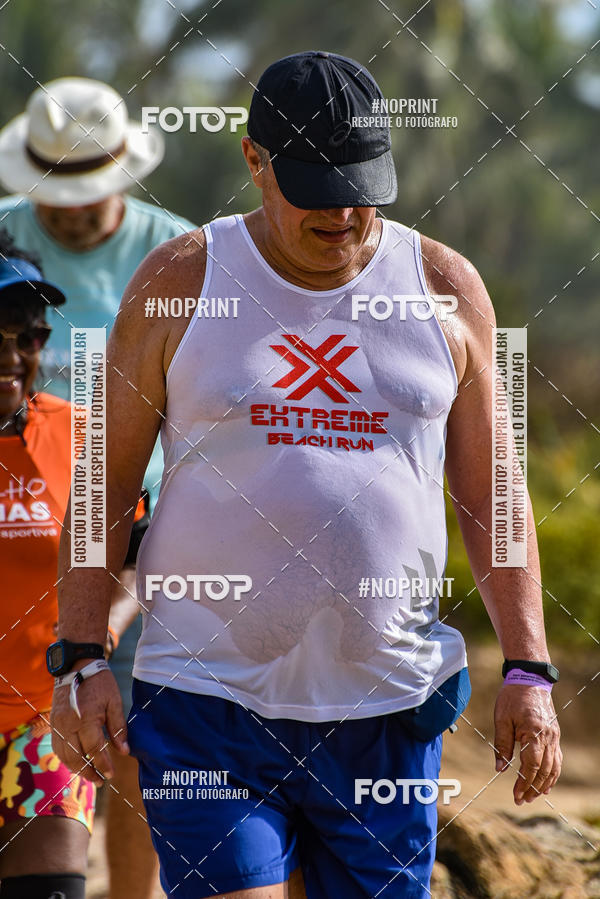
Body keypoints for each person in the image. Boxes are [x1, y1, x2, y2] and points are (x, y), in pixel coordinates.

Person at [50, 51, 562, 899]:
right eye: (314, 185)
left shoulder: (446, 287)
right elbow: (102, 478)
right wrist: (80, 657)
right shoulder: (179, 281)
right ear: (255, 162)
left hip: (386, 709)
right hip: (204, 698)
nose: (343, 211)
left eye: (361, 183)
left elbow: (495, 494)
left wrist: (529, 669)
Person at [0, 77, 196, 899]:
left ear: (122, 173)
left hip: (157, 528)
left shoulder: (179, 255)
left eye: (87, 192)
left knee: (138, 749)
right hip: (32, 528)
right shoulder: (7, 240)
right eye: (55, 192)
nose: (70, 211)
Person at [0, 231, 142, 899]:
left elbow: (139, 564)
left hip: (40, 717)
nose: (11, 356)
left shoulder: (83, 433)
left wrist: (91, 644)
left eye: (27, 337)